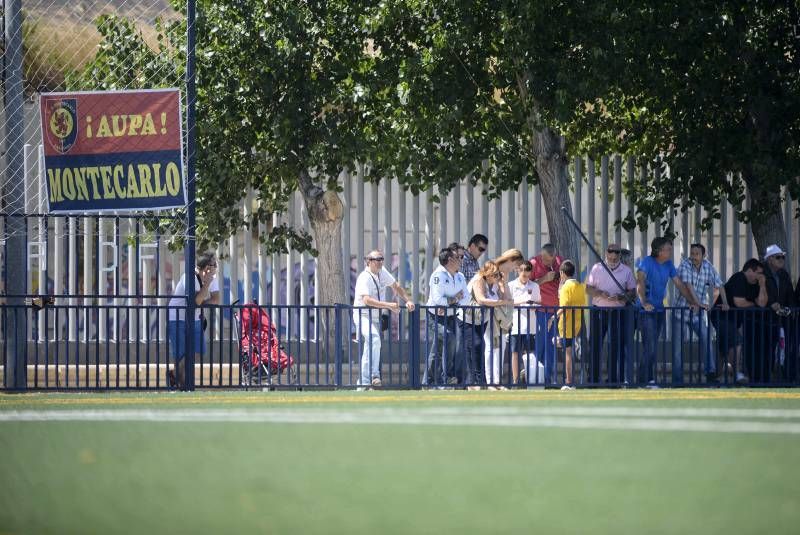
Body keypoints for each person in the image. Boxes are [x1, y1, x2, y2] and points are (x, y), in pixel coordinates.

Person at [636, 237, 701, 387]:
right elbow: (640, 281)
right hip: (646, 311)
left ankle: (647, 379)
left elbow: (679, 284)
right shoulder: (646, 262)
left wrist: (692, 302)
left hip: (659, 310)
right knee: (650, 345)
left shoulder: (669, 264)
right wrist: (644, 303)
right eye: (668, 249)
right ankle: (644, 380)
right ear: (658, 251)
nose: (671, 251)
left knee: (652, 345)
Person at [353, 250, 415, 388]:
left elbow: (396, 286)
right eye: (377, 259)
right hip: (363, 314)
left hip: (375, 316)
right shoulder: (364, 277)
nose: (380, 262)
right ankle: (374, 375)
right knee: (374, 339)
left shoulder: (382, 272)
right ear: (368, 261)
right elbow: (367, 300)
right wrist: (389, 306)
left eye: (382, 258)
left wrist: (408, 300)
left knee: (371, 346)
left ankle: (362, 384)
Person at [672, 243, 729, 384]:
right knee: (677, 348)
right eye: (692, 253)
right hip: (681, 311)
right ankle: (677, 380)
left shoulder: (708, 266)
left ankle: (710, 373)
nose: (693, 256)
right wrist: (699, 304)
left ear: (704, 255)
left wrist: (726, 302)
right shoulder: (685, 265)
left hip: (697, 314)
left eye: (697, 254)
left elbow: (720, 285)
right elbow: (688, 287)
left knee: (706, 339)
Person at [167, 252, 221, 389]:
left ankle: (174, 374)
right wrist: (206, 285)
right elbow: (196, 300)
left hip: (194, 317)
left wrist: (200, 303)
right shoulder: (189, 277)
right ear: (206, 267)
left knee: (198, 350)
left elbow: (215, 299)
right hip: (177, 317)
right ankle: (183, 384)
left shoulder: (212, 279)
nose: (215, 267)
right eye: (213, 264)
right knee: (181, 353)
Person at [709, 258, 767, 384]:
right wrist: (754, 304)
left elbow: (762, 304)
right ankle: (737, 374)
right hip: (721, 316)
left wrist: (762, 285)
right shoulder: (739, 278)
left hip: (734, 319)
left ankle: (715, 377)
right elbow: (739, 302)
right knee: (737, 341)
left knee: (722, 347)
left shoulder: (756, 284)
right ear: (750, 271)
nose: (760, 276)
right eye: (759, 273)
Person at [585, 243, 636, 385]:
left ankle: (613, 379)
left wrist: (620, 297)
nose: (612, 258)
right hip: (598, 310)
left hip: (617, 312)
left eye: (615, 255)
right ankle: (593, 379)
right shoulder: (597, 268)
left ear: (619, 255)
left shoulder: (626, 271)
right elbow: (588, 289)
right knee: (595, 344)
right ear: (606, 254)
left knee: (615, 345)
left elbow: (632, 292)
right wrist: (600, 293)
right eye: (610, 254)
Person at [460, 260, 514, 389]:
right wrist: (501, 302)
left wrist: (503, 282)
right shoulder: (479, 279)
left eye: (497, 274)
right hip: (467, 319)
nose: (496, 277)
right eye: (494, 274)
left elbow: (507, 298)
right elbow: (481, 299)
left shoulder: (493, 284)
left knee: (478, 347)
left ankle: (477, 382)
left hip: (480, 319)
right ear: (487, 274)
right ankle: (474, 382)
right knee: (475, 346)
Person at [424, 248, 467, 386]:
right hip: (435, 316)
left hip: (451, 315)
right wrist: (454, 299)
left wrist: (452, 302)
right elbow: (437, 299)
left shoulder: (460, 276)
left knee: (437, 349)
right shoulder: (438, 275)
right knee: (449, 338)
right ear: (450, 260)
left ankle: (427, 381)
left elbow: (466, 297)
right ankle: (446, 377)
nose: (461, 260)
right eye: (458, 257)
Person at [483, 249, 525, 387]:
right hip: (488, 312)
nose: (516, 270)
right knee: (490, 346)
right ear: (512, 260)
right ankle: (490, 381)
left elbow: (506, 297)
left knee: (500, 347)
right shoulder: (492, 267)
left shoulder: (504, 274)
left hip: (499, 315)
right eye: (516, 266)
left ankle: (497, 380)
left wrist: (505, 282)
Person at [756, 245, 794, 382]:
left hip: (783, 320)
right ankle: (766, 378)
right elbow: (758, 293)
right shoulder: (762, 273)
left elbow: (790, 294)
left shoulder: (784, 274)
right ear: (770, 259)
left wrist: (789, 307)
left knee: (784, 349)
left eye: (783, 257)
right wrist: (770, 304)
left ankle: (784, 377)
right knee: (767, 350)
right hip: (766, 320)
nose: (782, 259)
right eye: (778, 257)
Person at [548, 260, 586, 390]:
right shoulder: (580, 286)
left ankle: (569, 381)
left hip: (566, 323)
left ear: (562, 273)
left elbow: (563, 307)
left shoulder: (566, 287)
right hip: (577, 322)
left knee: (568, 353)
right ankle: (570, 380)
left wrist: (553, 317)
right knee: (568, 350)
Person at [530, 243, 562, 384]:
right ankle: (536, 377)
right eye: (546, 260)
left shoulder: (559, 261)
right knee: (540, 344)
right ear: (541, 255)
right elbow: (527, 285)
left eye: (551, 260)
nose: (549, 263)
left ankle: (549, 378)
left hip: (556, 311)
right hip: (540, 311)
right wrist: (544, 279)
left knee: (552, 344)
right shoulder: (533, 263)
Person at [508, 261, 541, 385]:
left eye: (527, 275)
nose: (525, 277)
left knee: (529, 353)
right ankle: (515, 380)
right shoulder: (511, 285)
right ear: (518, 271)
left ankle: (529, 378)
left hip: (530, 325)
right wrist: (522, 301)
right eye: (523, 274)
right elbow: (507, 302)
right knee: (515, 352)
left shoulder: (535, 286)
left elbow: (539, 302)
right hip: (515, 325)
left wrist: (533, 305)